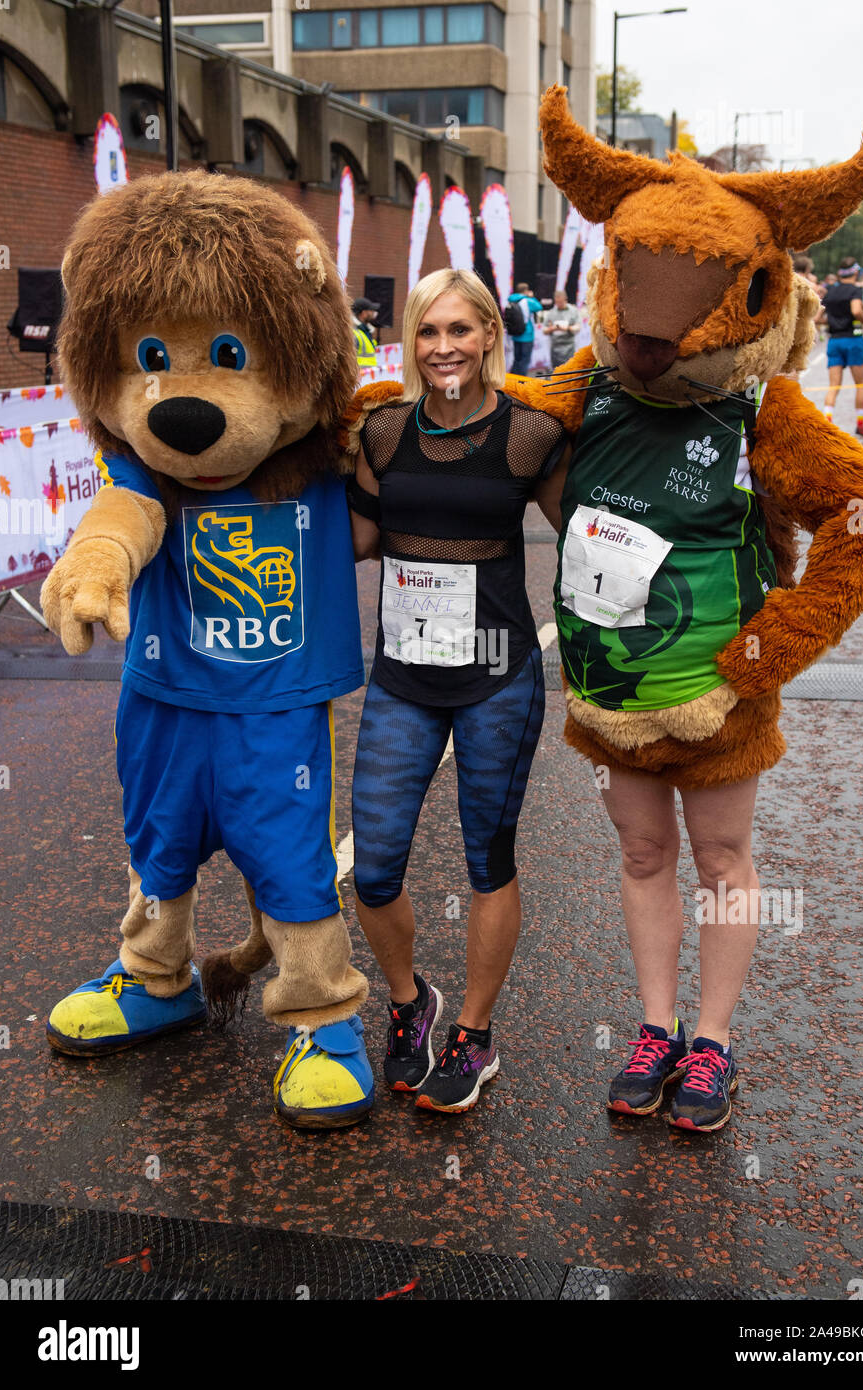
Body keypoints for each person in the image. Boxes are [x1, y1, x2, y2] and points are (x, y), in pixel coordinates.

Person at [346, 268, 569, 1114]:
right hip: (403, 679)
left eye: (459, 331)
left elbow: (585, 534)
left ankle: (473, 1036)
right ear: (411, 340)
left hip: (495, 677)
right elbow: (362, 539)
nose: (444, 348)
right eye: (428, 331)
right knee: (374, 867)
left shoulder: (528, 434)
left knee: (488, 861)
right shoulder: (382, 432)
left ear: (488, 336)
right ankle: (411, 1006)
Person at [818, 257, 863, 438]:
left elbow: (818, 317)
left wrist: (833, 322)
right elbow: (857, 310)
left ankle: (827, 423)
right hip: (853, 340)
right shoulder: (855, 290)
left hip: (834, 340)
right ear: (855, 272)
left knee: (833, 386)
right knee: (861, 385)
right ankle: (860, 426)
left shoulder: (830, 291)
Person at [506, 281, 543, 375]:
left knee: (517, 359)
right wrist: (531, 297)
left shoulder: (511, 300)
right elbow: (539, 307)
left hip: (515, 335)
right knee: (524, 360)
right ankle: (521, 383)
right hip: (527, 334)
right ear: (526, 291)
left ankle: (513, 381)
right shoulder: (527, 301)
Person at [540, 287, 581, 369]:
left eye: (560, 302)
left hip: (569, 346)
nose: (558, 304)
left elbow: (578, 327)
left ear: (565, 299)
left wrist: (568, 328)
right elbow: (544, 330)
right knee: (556, 371)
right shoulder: (551, 312)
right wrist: (552, 329)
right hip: (555, 348)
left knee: (569, 370)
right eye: (557, 302)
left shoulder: (573, 311)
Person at [352, 296, 379, 370]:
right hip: (359, 377)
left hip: (368, 376)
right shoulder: (354, 333)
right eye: (371, 310)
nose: (373, 313)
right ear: (363, 313)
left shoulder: (366, 330)